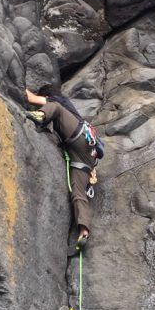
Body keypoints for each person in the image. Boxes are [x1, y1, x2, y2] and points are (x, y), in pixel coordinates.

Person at [24, 85, 99, 253]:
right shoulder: (70, 111)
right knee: (78, 193)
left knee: (55, 108)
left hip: (78, 134)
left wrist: (20, 85)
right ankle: (84, 232)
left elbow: (31, 99)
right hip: (87, 155)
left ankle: (41, 116)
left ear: (47, 95)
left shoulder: (59, 100)